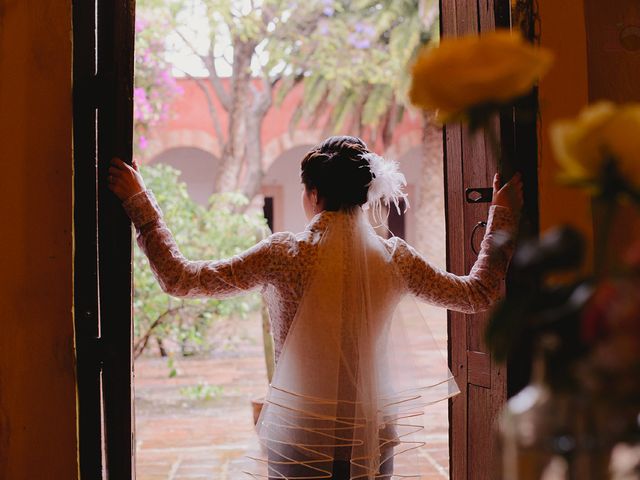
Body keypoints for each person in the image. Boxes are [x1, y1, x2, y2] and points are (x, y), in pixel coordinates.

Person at [109, 135, 523, 479]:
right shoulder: (395, 257)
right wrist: (501, 214)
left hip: (300, 434)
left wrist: (142, 207)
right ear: (365, 196)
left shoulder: (283, 254)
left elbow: (181, 278)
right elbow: (476, 294)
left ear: (312, 194)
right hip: (371, 434)